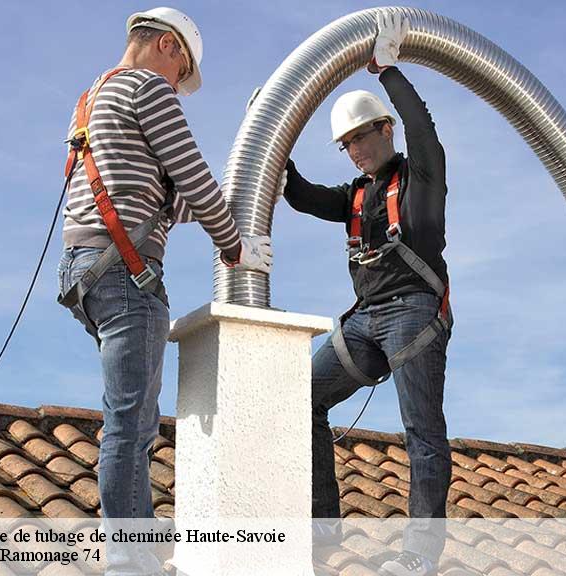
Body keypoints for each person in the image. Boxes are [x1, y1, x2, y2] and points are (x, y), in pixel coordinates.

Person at [57, 7, 272, 574]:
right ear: (168, 47)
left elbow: (170, 200)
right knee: (129, 426)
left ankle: (141, 548)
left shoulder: (94, 96)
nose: (179, 87)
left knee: (132, 417)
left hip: (86, 269)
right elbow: (194, 178)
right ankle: (131, 562)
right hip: (125, 271)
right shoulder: (149, 88)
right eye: (183, 75)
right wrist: (235, 246)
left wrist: (243, 161)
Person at [282, 13, 452, 575]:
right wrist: (274, 133)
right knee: (301, 400)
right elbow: (302, 196)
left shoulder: (421, 177)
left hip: (414, 316)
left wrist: (388, 72)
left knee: (421, 433)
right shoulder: (355, 196)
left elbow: (422, 128)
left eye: (360, 137)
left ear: (385, 130)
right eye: (346, 144)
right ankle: (321, 534)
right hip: (364, 321)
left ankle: (419, 557)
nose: (354, 149)